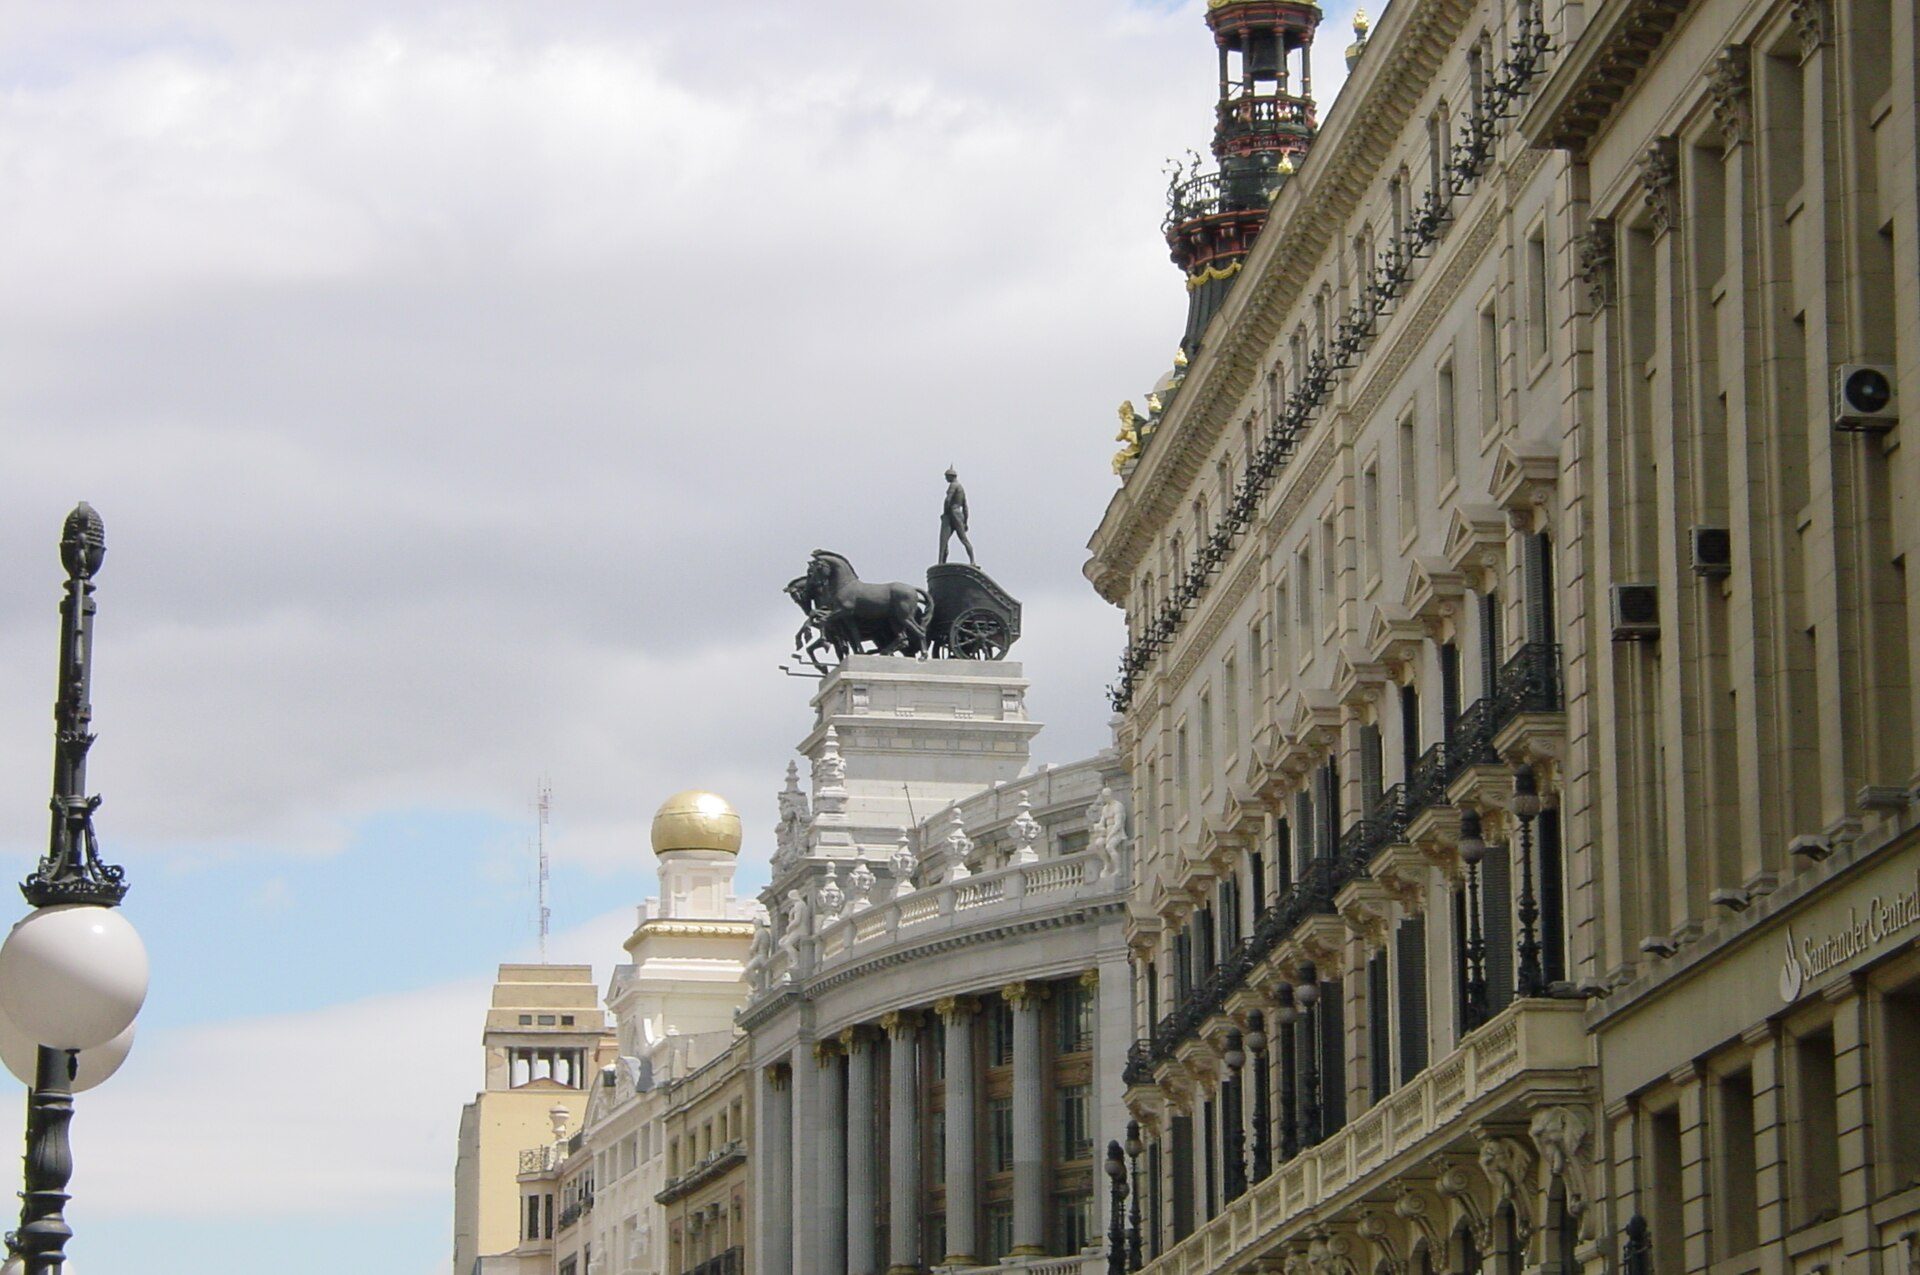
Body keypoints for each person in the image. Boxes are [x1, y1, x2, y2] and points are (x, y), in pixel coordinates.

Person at [939, 466, 976, 565]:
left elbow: (947, 500)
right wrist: (965, 522)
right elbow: (965, 507)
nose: (946, 478)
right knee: (963, 539)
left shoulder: (953, 485)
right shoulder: (961, 488)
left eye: (946, 477)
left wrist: (945, 513)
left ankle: (941, 562)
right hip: (959, 514)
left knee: (944, 540)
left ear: (950, 476)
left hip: (952, 513)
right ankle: (972, 561)